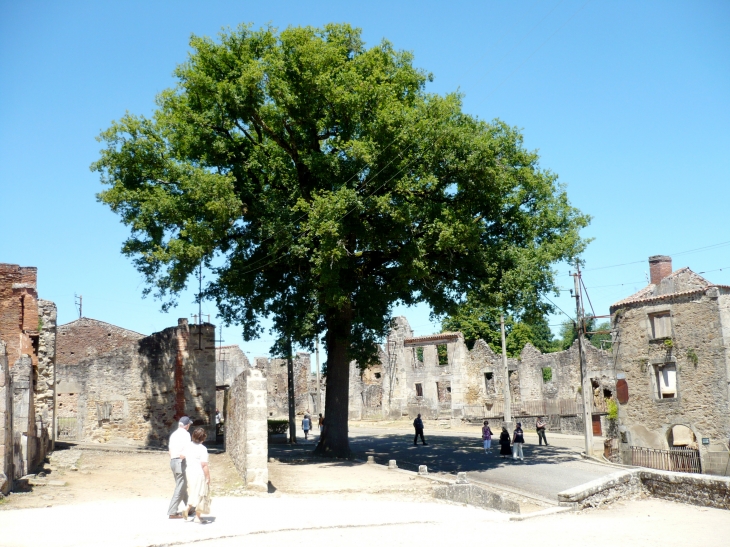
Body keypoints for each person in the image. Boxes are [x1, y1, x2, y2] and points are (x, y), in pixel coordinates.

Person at [183, 427, 211, 524]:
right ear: (203, 438)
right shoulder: (202, 449)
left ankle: (187, 508)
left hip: (189, 471)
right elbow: (204, 465)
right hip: (198, 473)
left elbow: (182, 456)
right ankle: (197, 517)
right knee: (200, 493)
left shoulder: (188, 446)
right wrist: (208, 477)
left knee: (192, 492)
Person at [167, 416, 192, 519]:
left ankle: (189, 508)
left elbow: (170, 449)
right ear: (186, 425)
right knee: (181, 485)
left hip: (173, 460)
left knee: (182, 484)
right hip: (180, 461)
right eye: (189, 424)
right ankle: (172, 511)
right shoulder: (186, 434)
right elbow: (188, 448)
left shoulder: (174, 434)